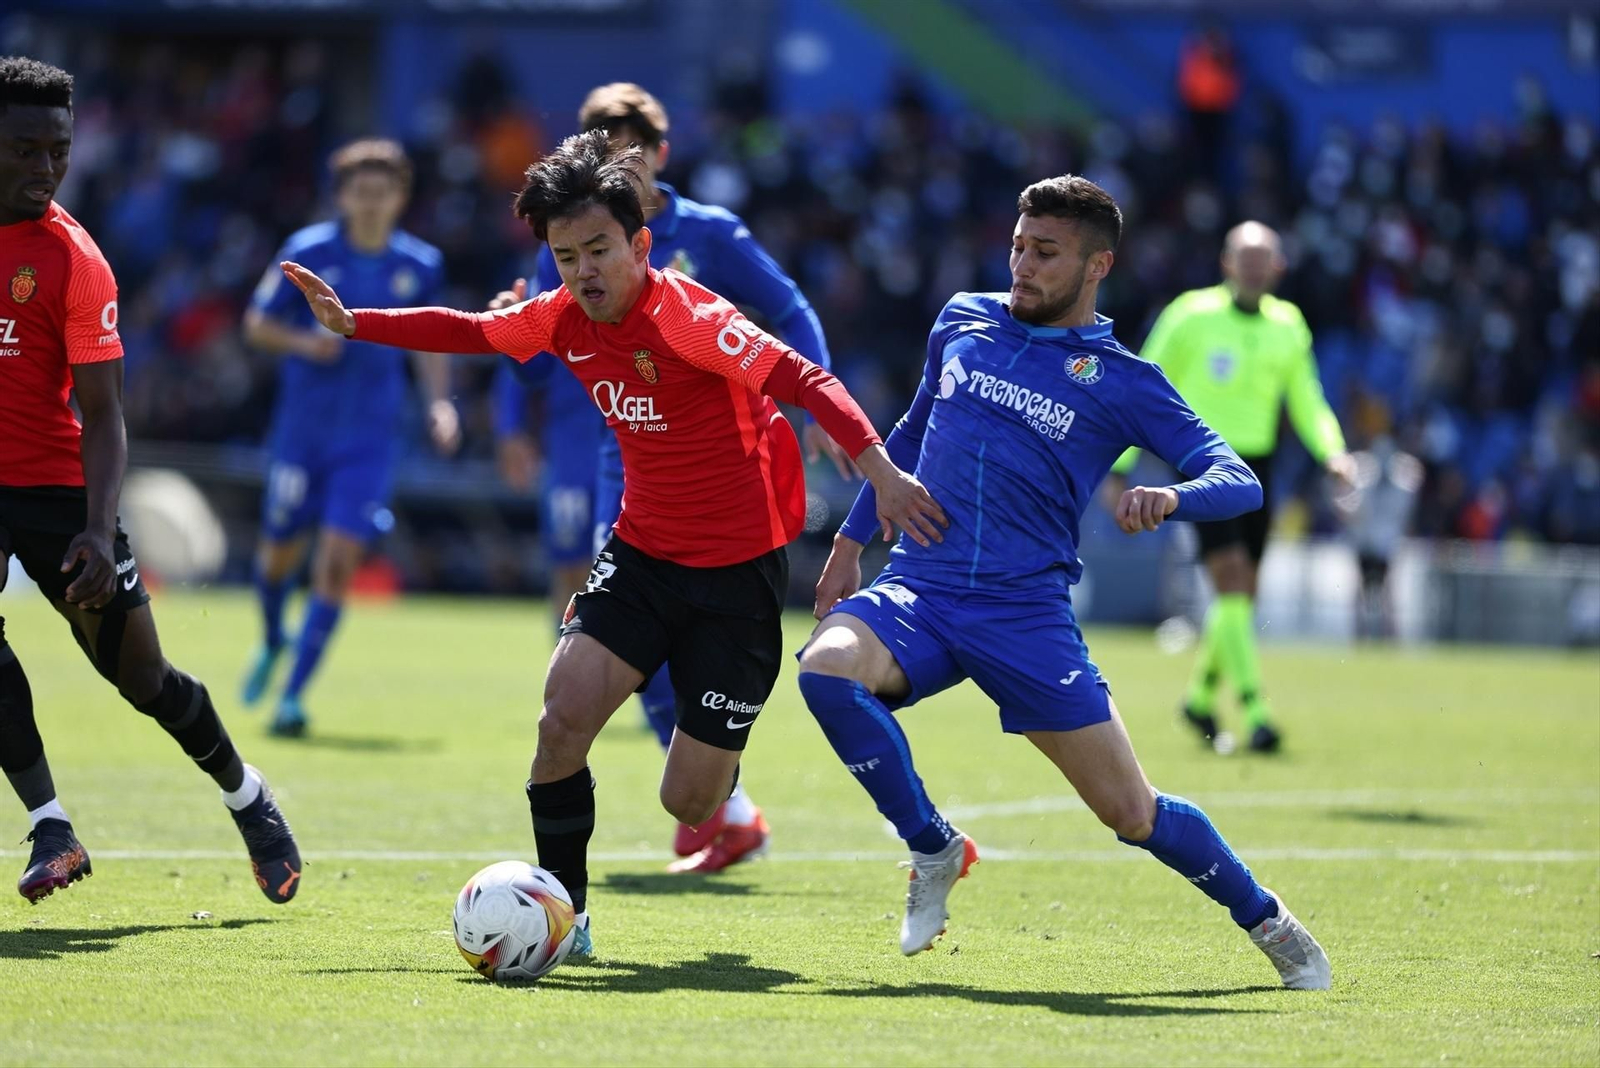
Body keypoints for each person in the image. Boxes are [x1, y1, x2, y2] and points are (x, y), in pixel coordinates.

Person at [278, 129, 942, 956]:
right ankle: (571, 921)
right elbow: (474, 335)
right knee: (561, 723)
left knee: (691, 805)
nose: (582, 271)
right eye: (565, 256)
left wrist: (879, 471)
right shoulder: (559, 318)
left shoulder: (692, 320)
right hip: (640, 556)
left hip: (736, 579)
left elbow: (804, 377)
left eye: (599, 249)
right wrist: (355, 323)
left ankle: (714, 749)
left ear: (641, 244)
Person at [795, 175, 1330, 989]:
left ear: (1096, 266)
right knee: (826, 669)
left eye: (1046, 252)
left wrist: (1173, 495)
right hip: (923, 591)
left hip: (1025, 616)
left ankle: (1269, 921)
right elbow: (909, 431)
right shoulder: (962, 319)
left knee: (1132, 814)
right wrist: (851, 538)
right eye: (1018, 245)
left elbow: (1238, 478)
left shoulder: (1121, 380)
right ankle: (934, 846)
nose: (1023, 264)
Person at [489, 82, 852, 873]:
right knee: (599, 636)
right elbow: (520, 338)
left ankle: (717, 795)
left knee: (660, 635)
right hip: (614, 450)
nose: (614, 162)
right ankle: (722, 805)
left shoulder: (709, 236)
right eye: (598, 147)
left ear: (660, 154)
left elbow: (790, 313)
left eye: (629, 148)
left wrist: (816, 398)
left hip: (711, 470)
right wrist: (515, 420)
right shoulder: (575, 234)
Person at [0, 56, 300, 905]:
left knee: (142, 681)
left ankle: (249, 798)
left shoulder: (73, 261)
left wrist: (98, 530)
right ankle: (51, 824)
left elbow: (104, 413)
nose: (43, 169)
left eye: (55, 151)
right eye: (23, 149)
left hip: (61, 492)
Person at [240, 138, 460, 737]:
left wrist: (440, 403)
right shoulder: (306, 253)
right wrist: (303, 343)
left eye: (381, 192)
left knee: (337, 563)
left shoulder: (420, 266)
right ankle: (271, 636)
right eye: (359, 191)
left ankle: (293, 696)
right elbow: (256, 324)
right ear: (341, 195)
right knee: (279, 553)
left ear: (400, 198)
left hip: (369, 439)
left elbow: (432, 338)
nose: (369, 203)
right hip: (302, 433)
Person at [1107, 221, 1354, 753]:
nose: (1254, 265)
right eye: (1245, 256)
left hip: (1258, 469)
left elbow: (1306, 398)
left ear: (1278, 267)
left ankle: (1198, 699)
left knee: (1240, 594)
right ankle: (1255, 711)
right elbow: (1139, 387)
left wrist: (1332, 451)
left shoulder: (1288, 325)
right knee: (1234, 579)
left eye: (1263, 257)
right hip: (1201, 466)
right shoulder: (1189, 317)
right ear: (1226, 262)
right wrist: (1121, 465)